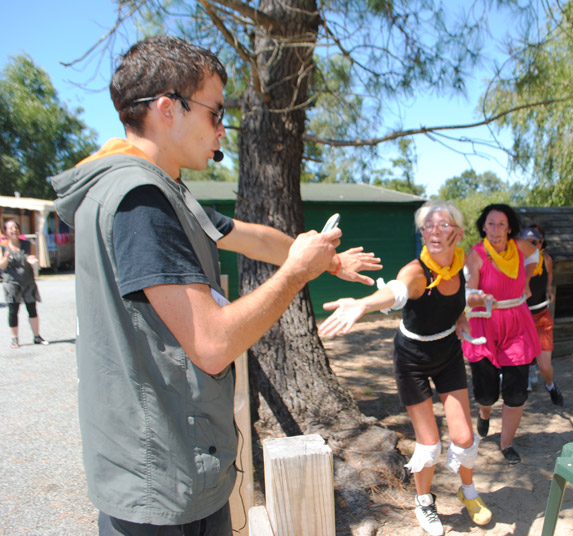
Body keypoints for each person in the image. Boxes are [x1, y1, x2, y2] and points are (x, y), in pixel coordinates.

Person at [51, 35, 381, 536]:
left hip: (161, 467)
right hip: (163, 482)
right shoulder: (143, 202)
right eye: (214, 112)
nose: (222, 130)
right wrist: (295, 275)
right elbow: (212, 344)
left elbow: (250, 238)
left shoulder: (155, 190)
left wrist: (321, 259)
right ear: (167, 108)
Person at [319, 201, 492, 535]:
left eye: (442, 225)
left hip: (448, 353)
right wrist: (363, 305)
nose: (434, 232)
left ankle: (468, 492)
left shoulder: (461, 266)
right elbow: (395, 292)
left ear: (457, 231)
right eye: (427, 226)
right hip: (412, 359)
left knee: (464, 436)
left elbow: (456, 301)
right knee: (429, 445)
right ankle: (424, 502)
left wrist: (462, 318)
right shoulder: (416, 272)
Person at [462, 204, 541, 465]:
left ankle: (506, 444)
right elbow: (468, 292)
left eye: (501, 225)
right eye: (491, 224)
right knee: (486, 393)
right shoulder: (475, 255)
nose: (496, 230)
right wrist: (480, 298)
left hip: (516, 322)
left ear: (510, 229)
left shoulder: (521, 248)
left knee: (516, 390)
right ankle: (484, 413)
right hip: (484, 324)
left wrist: (527, 280)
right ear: (483, 226)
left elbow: (535, 256)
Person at [521, 225, 564, 405]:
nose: (532, 245)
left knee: (545, 365)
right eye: (527, 242)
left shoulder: (546, 260)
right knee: (520, 358)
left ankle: (550, 385)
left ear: (541, 243)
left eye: (535, 242)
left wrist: (548, 290)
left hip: (541, 316)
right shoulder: (516, 263)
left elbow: (549, 278)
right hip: (522, 318)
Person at [1, 219, 48, 349]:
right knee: (13, 311)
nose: (14, 230)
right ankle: (14, 339)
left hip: (28, 281)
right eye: (10, 228)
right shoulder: (2, 247)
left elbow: (31, 257)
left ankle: (37, 336)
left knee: (32, 308)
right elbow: (2, 266)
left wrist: (31, 260)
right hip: (12, 283)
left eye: (16, 227)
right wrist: (5, 257)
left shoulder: (27, 244)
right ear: (5, 231)